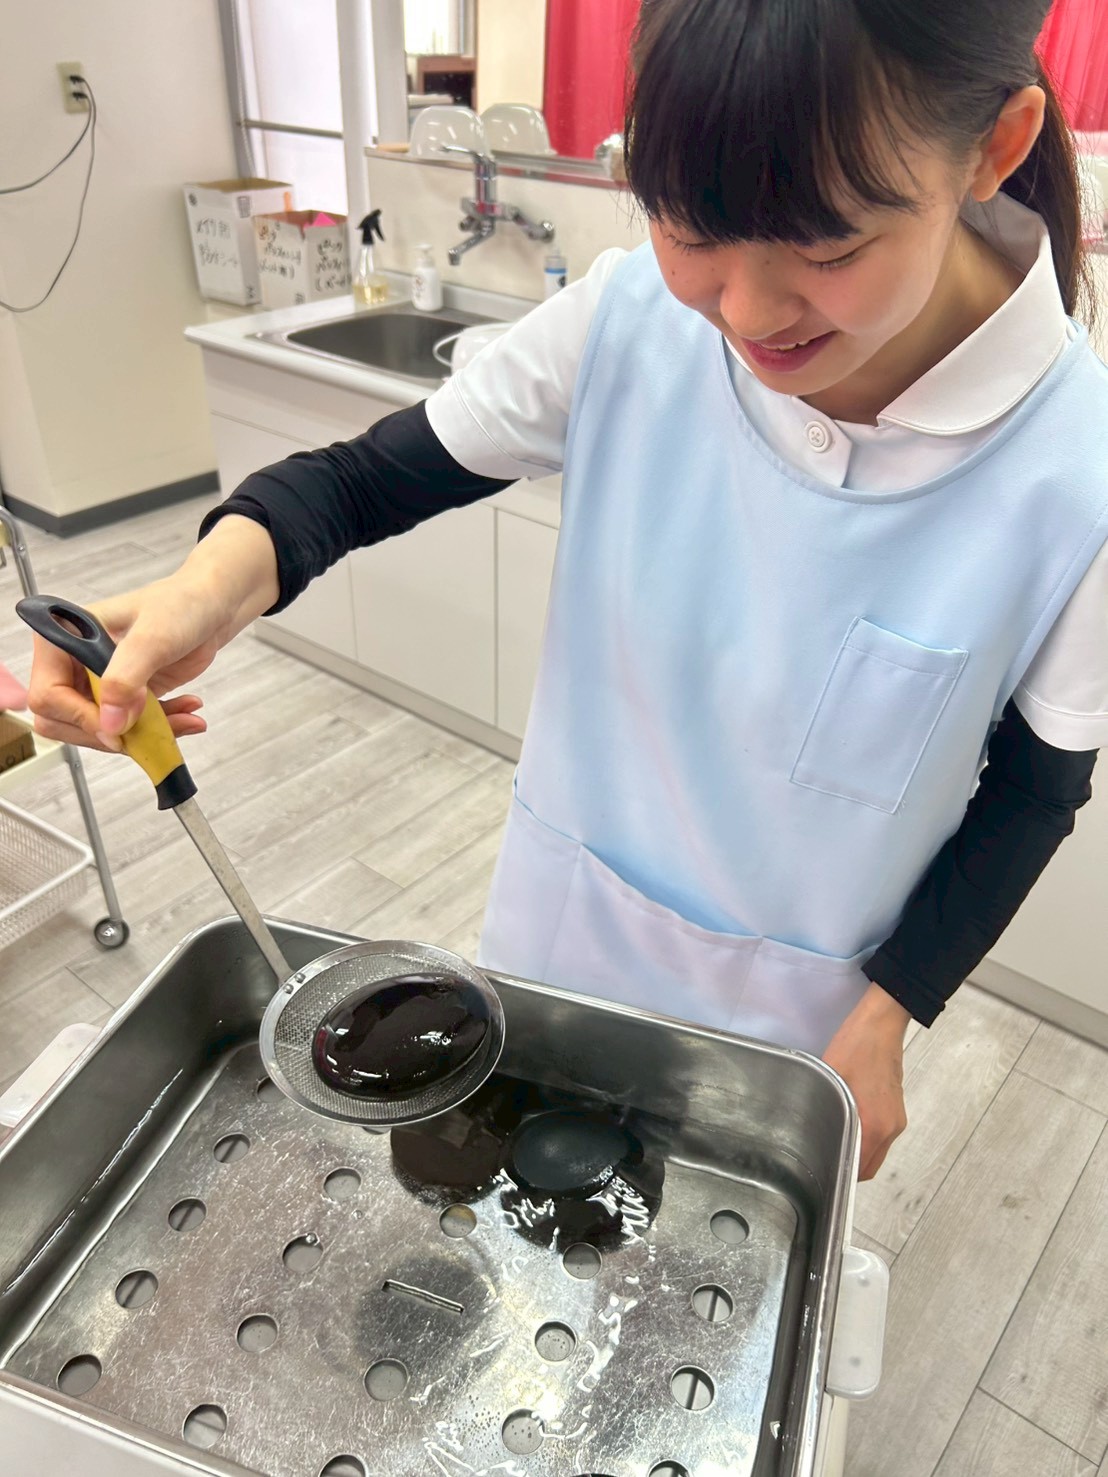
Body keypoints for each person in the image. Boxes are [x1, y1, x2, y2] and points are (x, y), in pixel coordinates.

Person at [27, 0, 1108, 1181]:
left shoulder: (1075, 477)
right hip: (552, 949)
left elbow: (1032, 795)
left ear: (994, 146)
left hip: (790, 1031)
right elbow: (361, 481)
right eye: (687, 228)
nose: (745, 314)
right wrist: (204, 588)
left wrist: (892, 1013)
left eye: (828, 249)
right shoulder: (628, 319)